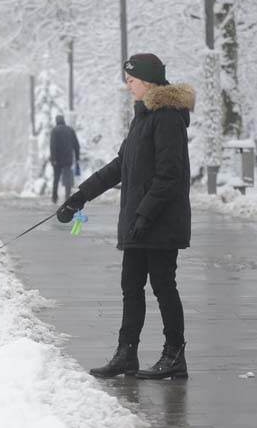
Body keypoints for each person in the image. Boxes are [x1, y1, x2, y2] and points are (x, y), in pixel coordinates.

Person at [56, 53, 194, 380]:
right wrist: (80, 197)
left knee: (163, 286)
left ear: (147, 80)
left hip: (159, 222)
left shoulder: (168, 118)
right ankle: (126, 355)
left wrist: (144, 216)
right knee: (131, 287)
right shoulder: (143, 117)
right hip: (139, 222)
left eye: (131, 79)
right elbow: (120, 166)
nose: (127, 84)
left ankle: (174, 355)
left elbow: (169, 176)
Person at [47, 115, 81, 204]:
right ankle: (67, 196)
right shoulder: (70, 130)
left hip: (57, 160)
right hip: (68, 159)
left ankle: (54, 197)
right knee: (67, 178)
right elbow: (76, 145)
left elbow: (52, 146)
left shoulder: (54, 131)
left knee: (56, 178)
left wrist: (53, 158)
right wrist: (77, 158)